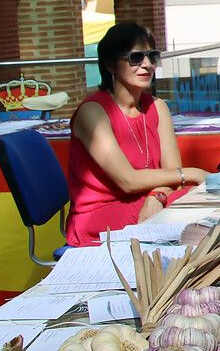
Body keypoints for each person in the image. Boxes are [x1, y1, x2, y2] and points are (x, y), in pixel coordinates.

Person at [65, 22, 207, 246]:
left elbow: (172, 173)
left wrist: (156, 196)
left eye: (152, 56)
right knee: (197, 207)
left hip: (145, 202)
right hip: (98, 217)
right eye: (135, 58)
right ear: (111, 65)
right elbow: (128, 181)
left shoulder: (157, 106)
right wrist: (191, 173)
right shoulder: (93, 112)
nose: (147, 65)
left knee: (199, 202)